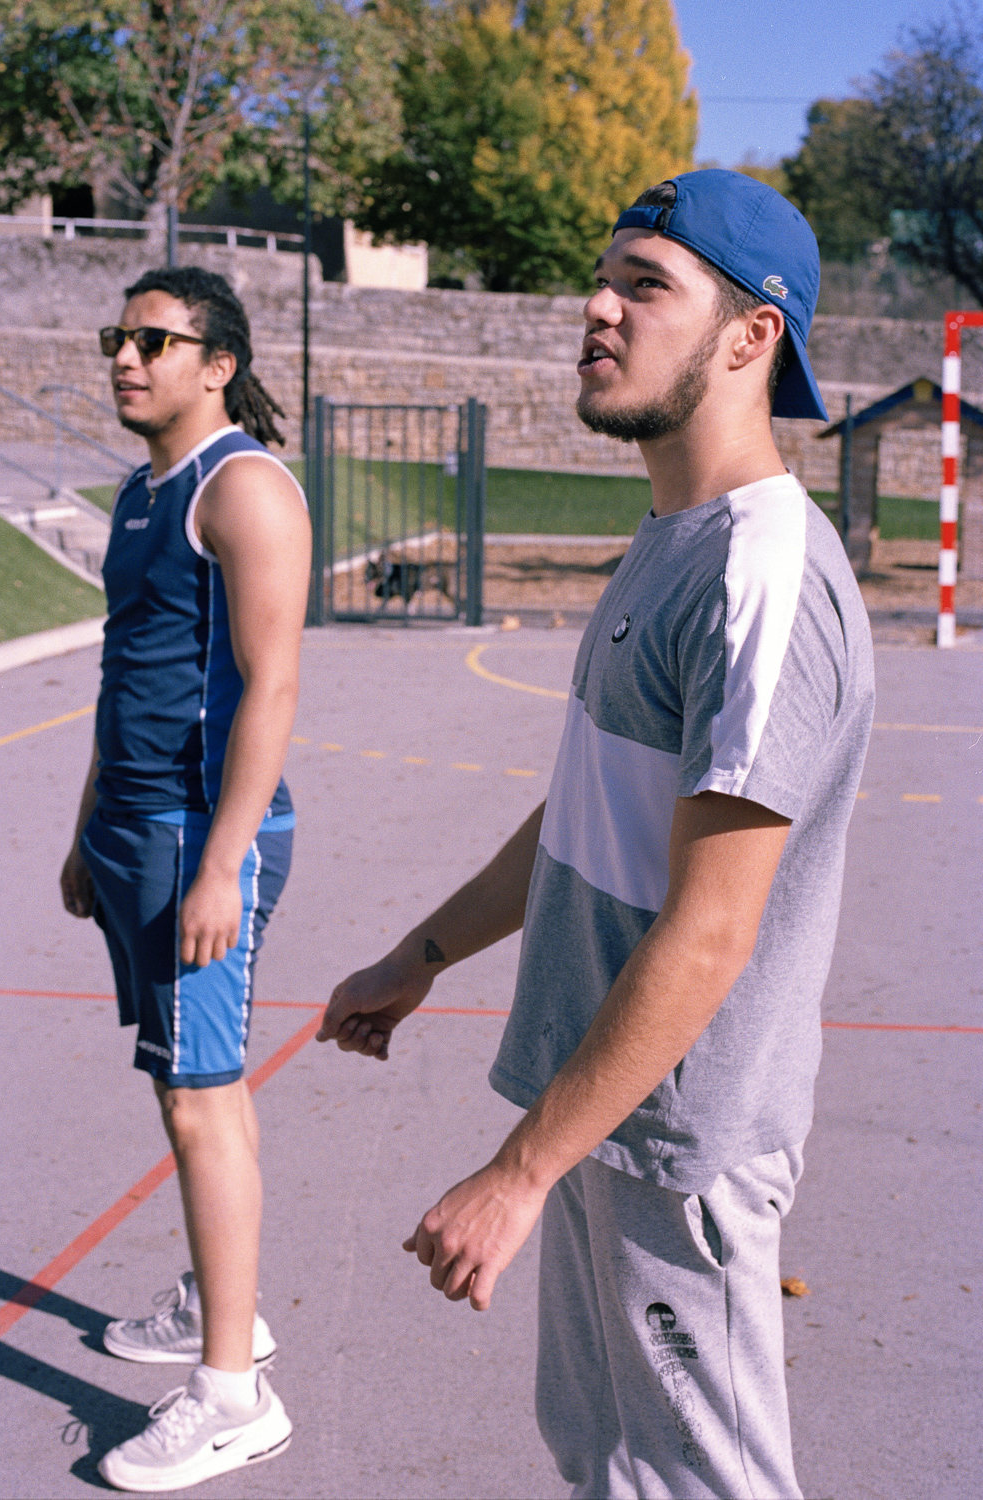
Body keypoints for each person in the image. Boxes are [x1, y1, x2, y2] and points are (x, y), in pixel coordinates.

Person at [318, 170, 875, 1500]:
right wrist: (421, 953)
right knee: (607, 1464)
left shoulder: (760, 575)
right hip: (598, 1106)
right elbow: (586, 810)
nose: (598, 307)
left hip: (676, 1143)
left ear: (751, 336)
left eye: (646, 285)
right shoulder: (675, 535)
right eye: (604, 277)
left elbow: (714, 928)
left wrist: (518, 1174)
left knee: (702, 1483)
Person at [60, 267, 311, 1492]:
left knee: (199, 1100)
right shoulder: (138, 491)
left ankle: (232, 1398)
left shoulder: (242, 487)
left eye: (154, 340)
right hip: (129, 829)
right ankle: (225, 1306)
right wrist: (83, 826)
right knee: (194, 1087)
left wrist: (221, 865)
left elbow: (272, 684)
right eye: (120, 336)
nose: (126, 356)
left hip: (195, 838)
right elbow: (128, 671)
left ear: (217, 365)